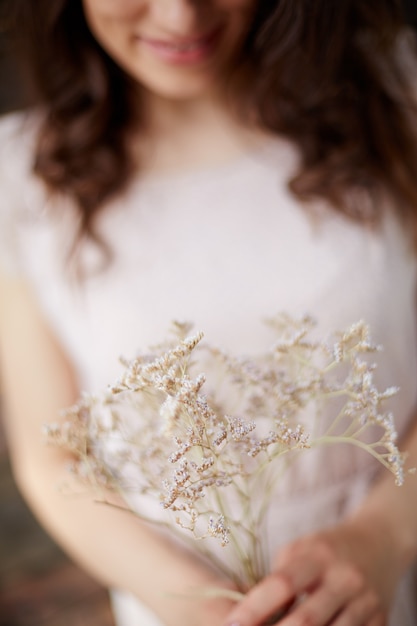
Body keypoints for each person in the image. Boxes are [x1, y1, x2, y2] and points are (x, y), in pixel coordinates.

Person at [1, 0, 417, 624]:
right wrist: (211, 611)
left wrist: (383, 538)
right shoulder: (19, 174)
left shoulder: (396, 90)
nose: (181, 17)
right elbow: (52, 459)